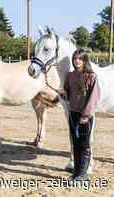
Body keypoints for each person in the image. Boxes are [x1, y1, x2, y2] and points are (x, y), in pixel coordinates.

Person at [62, 49, 100, 181]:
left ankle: (83, 174)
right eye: (75, 58)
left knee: (84, 144)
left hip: (85, 117)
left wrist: (86, 115)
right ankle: (75, 173)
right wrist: (62, 93)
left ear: (84, 60)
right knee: (76, 144)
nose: (76, 61)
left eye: (79, 58)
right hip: (73, 114)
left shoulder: (91, 76)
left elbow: (94, 98)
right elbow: (67, 92)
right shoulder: (70, 75)